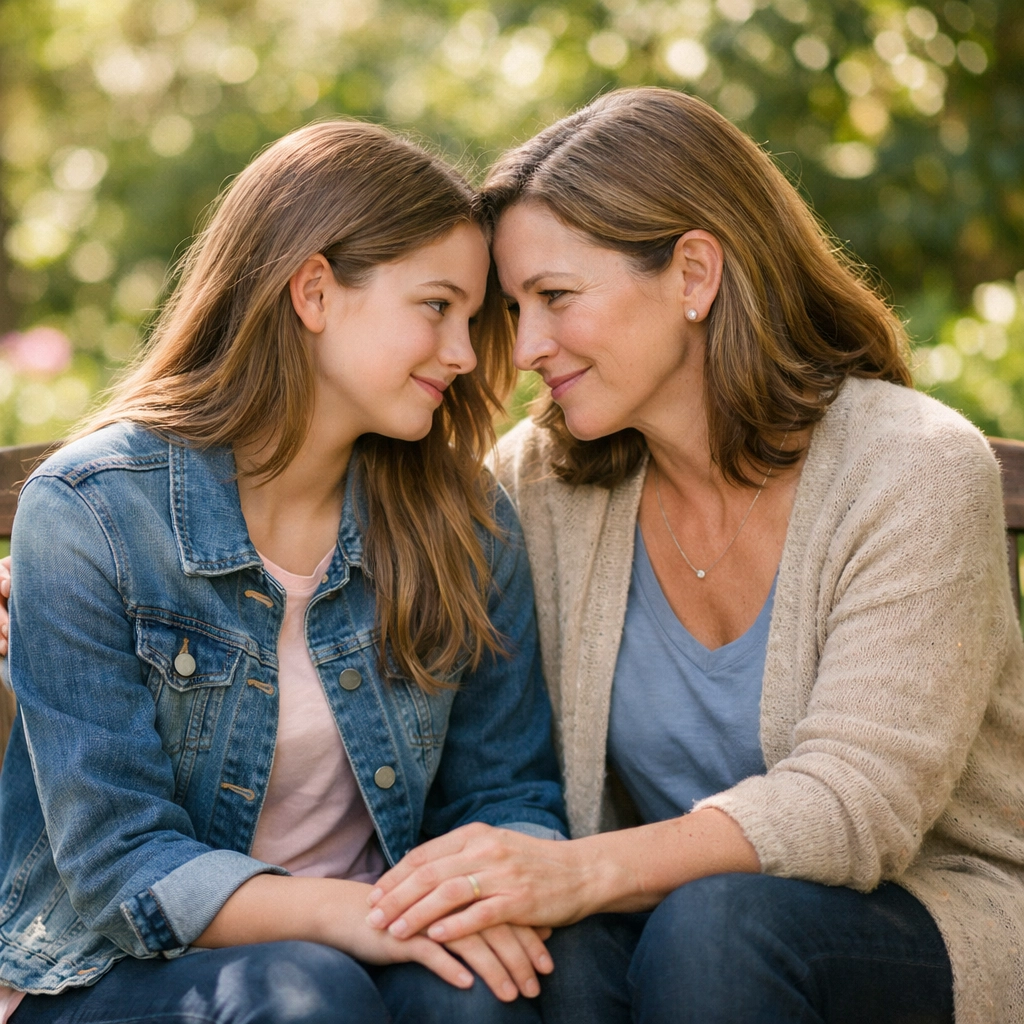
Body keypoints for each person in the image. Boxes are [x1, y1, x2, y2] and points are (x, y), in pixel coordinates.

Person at [363, 88, 1024, 1024]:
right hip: (666, 930)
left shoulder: (913, 467)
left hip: (933, 916)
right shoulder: (543, 484)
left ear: (695, 274)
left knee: (715, 929)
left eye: (556, 297)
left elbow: (857, 803)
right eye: (514, 308)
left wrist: (579, 872)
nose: (527, 347)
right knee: (539, 959)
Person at [0, 120, 567, 1024]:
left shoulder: (463, 517)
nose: (464, 354)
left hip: (367, 940)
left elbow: (504, 793)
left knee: (481, 995)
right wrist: (366, 916)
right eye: (436, 307)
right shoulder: (92, 513)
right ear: (314, 292)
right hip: (108, 970)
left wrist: (478, 896)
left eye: (472, 319)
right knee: (306, 995)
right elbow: (120, 863)